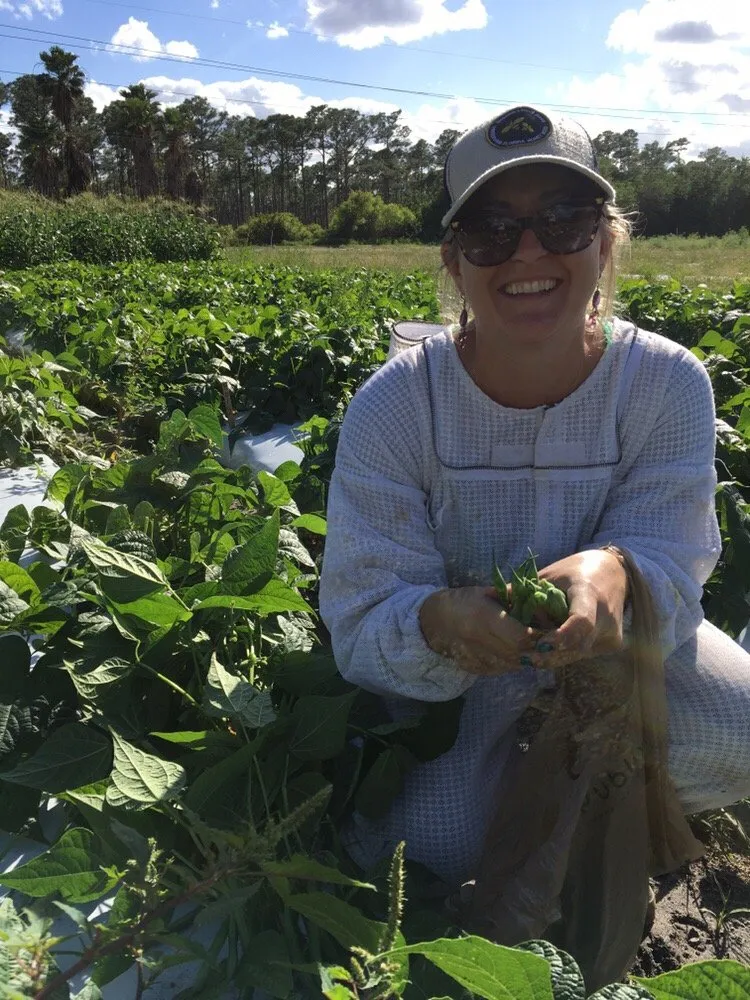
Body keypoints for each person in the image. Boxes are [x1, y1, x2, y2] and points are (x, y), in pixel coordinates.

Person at [318, 104, 750, 889]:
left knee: (740, 736)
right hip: (463, 683)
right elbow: (359, 613)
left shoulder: (665, 382)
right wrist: (439, 622)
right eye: (490, 229)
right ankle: (550, 818)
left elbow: (675, 558)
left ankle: (583, 814)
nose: (527, 250)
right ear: (454, 260)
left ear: (606, 239)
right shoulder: (397, 404)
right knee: (425, 848)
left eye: (563, 219)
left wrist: (619, 576)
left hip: (622, 671)